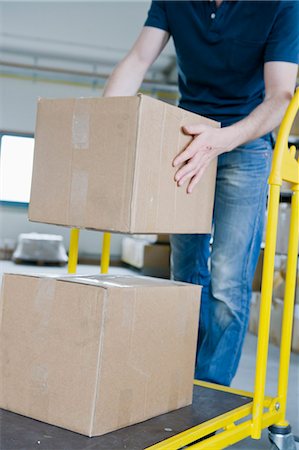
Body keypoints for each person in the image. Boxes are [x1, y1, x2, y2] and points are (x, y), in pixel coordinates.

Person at [103, 1, 299, 386]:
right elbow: (138, 59)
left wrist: (222, 140)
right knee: (186, 273)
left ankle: (209, 391)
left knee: (227, 278)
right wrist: (105, 124)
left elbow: (280, 95)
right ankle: (181, 378)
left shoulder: (282, 4)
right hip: (188, 139)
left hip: (245, 143)